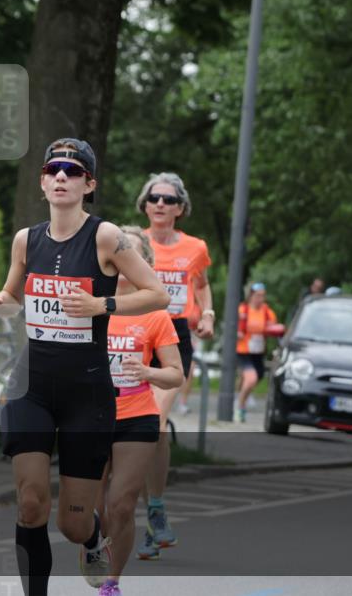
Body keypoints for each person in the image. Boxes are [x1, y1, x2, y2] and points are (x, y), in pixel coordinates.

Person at [0, 139, 169, 596]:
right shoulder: (26, 239)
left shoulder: (106, 237)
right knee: (30, 504)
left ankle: (94, 529)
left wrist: (100, 304)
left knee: (72, 525)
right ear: (43, 182)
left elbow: (157, 294)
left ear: (89, 184)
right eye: (54, 170)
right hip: (33, 386)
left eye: (73, 170)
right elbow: (13, 298)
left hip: (87, 393)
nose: (62, 177)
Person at [94, 227, 184, 595]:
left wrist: (148, 372)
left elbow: (175, 374)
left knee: (122, 503)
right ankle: (94, 546)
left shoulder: (155, 315)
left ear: (142, 263)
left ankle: (112, 581)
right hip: (91, 415)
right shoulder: (91, 304)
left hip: (136, 414)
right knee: (91, 508)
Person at [135, 171, 213, 559]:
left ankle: (155, 508)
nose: (160, 204)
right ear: (145, 205)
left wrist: (209, 314)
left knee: (154, 424)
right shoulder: (128, 243)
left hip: (174, 337)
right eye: (154, 198)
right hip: (132, 335)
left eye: (168, 199)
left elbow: (200, 284)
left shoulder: (195, 247)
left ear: (181, 208)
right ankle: (125, 514)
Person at [235, 282, 282, 422]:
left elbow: (274, 328)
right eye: (257, 296)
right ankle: (240, 408)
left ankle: (241, 394)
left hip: (258, 352)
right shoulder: (243, 310)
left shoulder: (267, 312)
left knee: (255, 377)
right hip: (243, 350)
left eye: (262, 296)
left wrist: (275, 329)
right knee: (251, 378)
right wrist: (238, 332)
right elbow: (234, 325)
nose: (260, 299)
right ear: (250, 296)